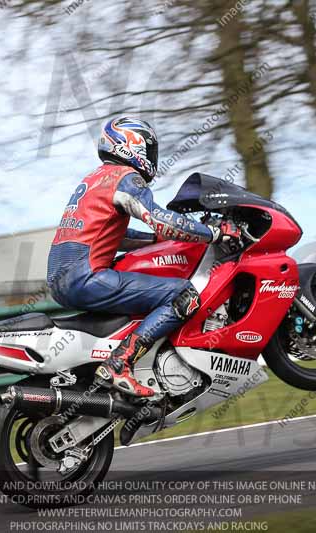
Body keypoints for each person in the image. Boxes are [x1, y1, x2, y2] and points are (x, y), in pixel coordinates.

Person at [47, 117, 240, 397]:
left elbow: (110, 235)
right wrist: (212, 232)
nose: (152, 157)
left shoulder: (95, 179)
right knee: (181, 296)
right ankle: (119, 364)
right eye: (149, 149)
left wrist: (154, 240)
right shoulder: (125, 177)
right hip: (86, 277)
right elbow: (161, 219)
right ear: (131, 144)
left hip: (61, 279)